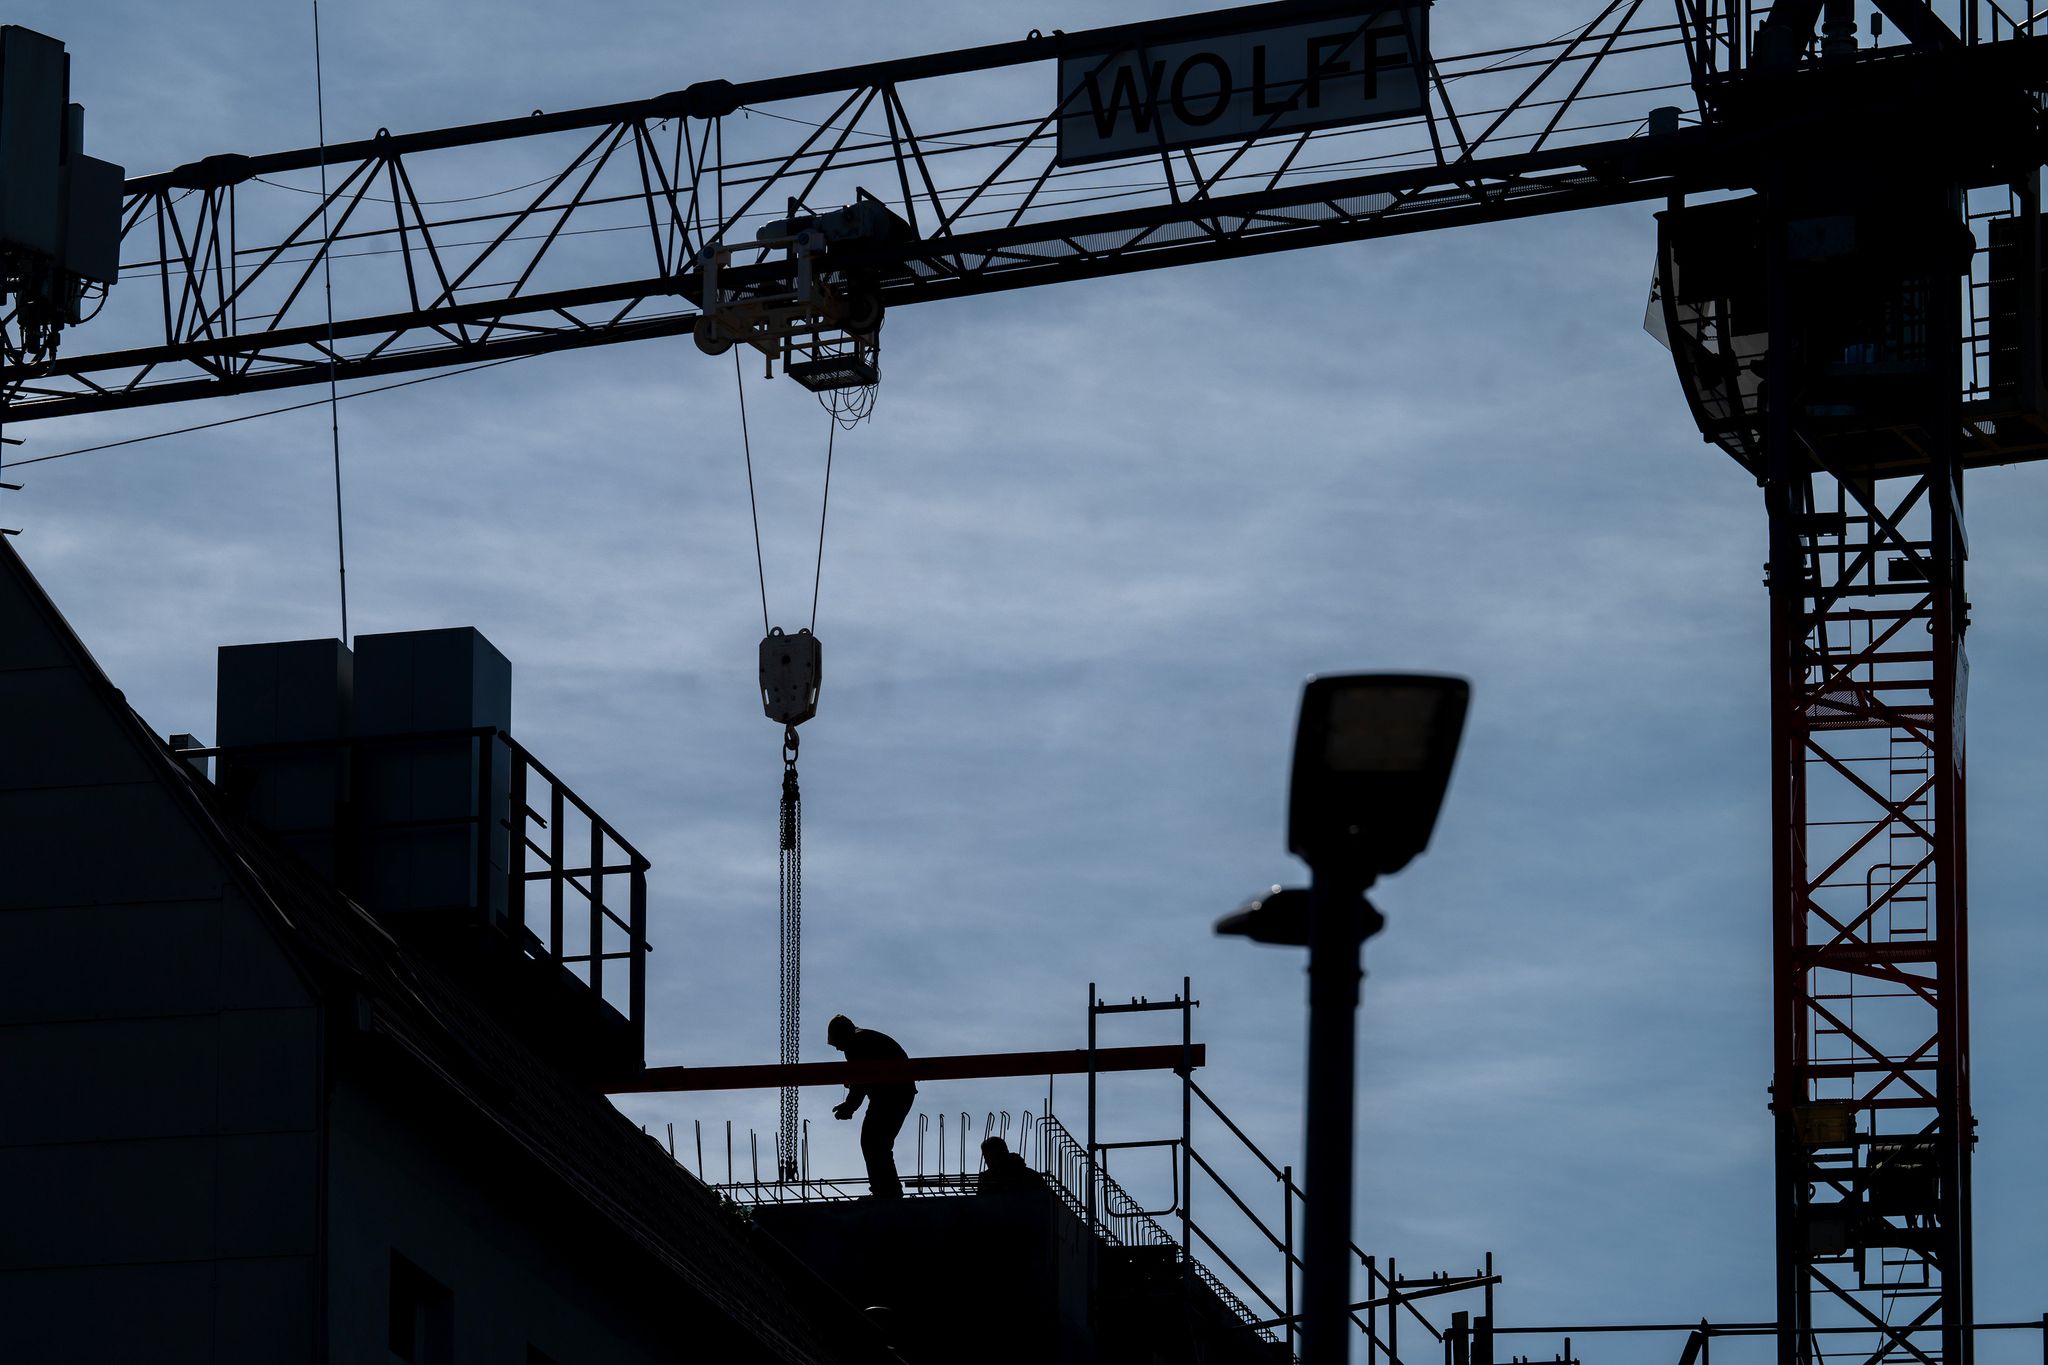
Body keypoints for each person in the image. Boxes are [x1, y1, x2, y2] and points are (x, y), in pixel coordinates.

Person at [827, 1014, 915, 1199]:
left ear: (842, 1035)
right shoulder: (863, 1039)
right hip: (896, 1093)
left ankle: (886, 1192)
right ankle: (887, 1190)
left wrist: (849, 1107)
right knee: (877, 1143)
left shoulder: (856, 1044)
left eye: (836, 1043)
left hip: (891, 1095)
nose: (836, 1048)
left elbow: (861, 1080)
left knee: (873, 1142)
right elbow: (862, 1078)